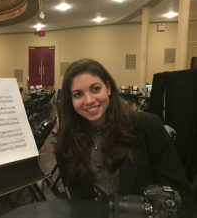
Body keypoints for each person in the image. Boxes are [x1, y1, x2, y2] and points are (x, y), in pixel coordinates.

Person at [55, 58, 194, 218]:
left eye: (95, 89)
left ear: (108, 88)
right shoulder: (66, 141)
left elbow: (180, 197)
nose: (89, 100)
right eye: (78, 94)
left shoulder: (148, 126)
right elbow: (77, 200)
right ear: (70, 100)